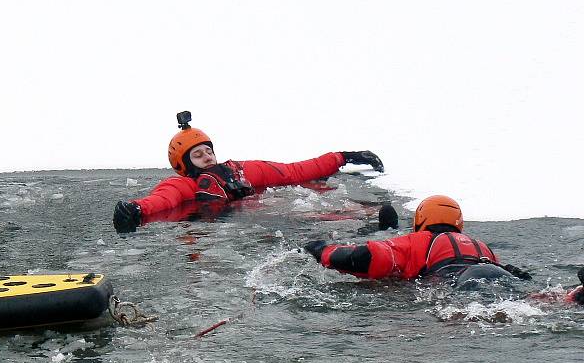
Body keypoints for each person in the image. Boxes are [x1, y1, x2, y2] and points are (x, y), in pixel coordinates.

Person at [112, 111, 385, 232]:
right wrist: (136, 209)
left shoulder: (240, 171)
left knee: (311, 205)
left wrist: (342, 157)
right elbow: (162, 201)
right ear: (185, 165)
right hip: (231, 225)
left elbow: (292, 172)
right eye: (197, 155)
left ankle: (371, 217)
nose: (206, 156)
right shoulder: (183, 185)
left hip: (265, 209)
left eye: (208, 150)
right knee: (300, 216)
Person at [304, 195, 531, 285]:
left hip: (451, 286)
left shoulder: (417, 241)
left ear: (420, 219)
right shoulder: (481, 246)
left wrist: (321, 250)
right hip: (498, 277)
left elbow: (367, 256)